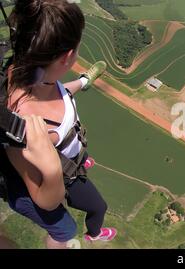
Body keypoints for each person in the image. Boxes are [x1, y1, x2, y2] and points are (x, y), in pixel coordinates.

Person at [4, 0, 116, 249]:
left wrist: (83, 82)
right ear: (68, 57)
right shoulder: (25, 127)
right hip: (62, 177)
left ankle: (79, 159)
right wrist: (54, 169)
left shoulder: (27, 72)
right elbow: (45, 200)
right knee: (78, 221)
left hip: (66, 153)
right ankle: (93, 234)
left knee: (79, 155)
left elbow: (58, 92)